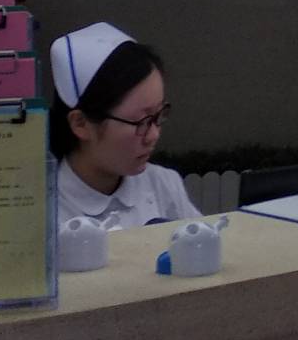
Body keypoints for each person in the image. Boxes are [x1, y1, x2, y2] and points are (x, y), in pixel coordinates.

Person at [50, 21, 201, 228]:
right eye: (141, 121)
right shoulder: (45, 211)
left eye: (158, 115)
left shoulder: (163, 185)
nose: (153, 135)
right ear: (81, 123)